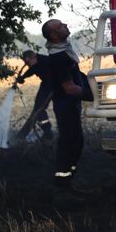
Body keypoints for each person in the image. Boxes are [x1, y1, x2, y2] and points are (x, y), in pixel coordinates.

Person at [42, 19, 85, 188]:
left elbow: (76, 77)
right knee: (69, 144)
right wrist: (96, 94)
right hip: (65, 106)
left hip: (70, 105)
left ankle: (68, 180)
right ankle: (62, 184)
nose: (66, 25)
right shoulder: (59, 58)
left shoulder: (65, 52)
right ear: (54, 35)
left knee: (77, 142)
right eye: (60, 26)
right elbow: (70, 88)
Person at [14, 50, 53, 142]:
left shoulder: (46, 61)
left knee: (40, 109)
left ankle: (48, 133)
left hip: (55, 85)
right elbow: (32, 70)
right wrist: (22, 77)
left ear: (33, 57)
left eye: (27, 62)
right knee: (38, 109)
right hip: (45, 85)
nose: (27, 64)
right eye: (25, 62)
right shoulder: (35, 63)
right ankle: (46, 133)